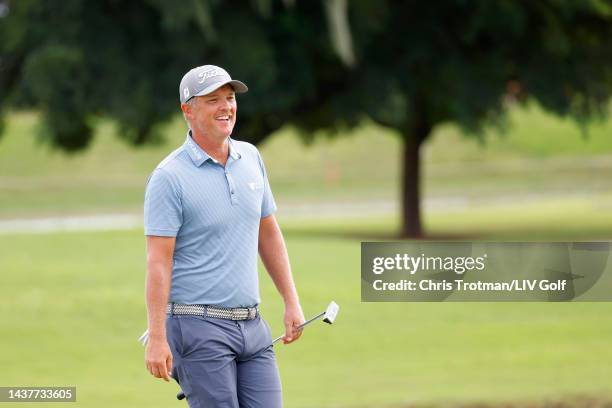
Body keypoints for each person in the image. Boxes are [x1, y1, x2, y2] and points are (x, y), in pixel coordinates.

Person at [143, 64, 305, 408]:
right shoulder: (168, 177)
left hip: (253, 325)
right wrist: (157, 337)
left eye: (230, 98)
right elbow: (159, 262)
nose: (226, 107)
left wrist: (291, 300)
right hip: (196, 327)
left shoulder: (251, 157)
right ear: (188, 110)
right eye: (213, 99)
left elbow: (269, 234)